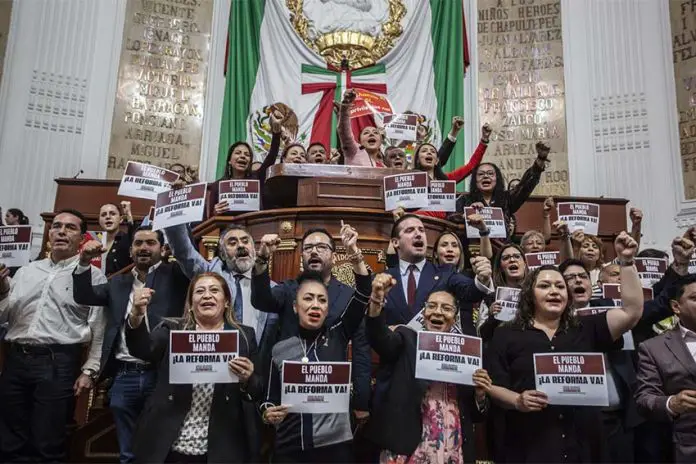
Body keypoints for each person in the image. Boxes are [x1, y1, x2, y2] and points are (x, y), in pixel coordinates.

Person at [485, 232, 644, 462]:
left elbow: (632, 312)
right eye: (545, 286)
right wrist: (517, 401)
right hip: (530, 443)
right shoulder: (506, 334)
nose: (554, 291)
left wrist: (627, 262)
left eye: (560, 286)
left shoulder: (588, 327)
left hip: (584, 443)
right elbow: (494, 386)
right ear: (530, 294)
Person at [72, 226, 189, 463]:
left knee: (162, 448)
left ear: (163, 248)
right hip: (124, 375)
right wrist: (84, 261)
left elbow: (188, 253)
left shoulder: (176, 275)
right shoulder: (118, 283)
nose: (144, 248)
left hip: (162, 374)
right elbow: (84, 295)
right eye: (138, 243)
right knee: (127, 451)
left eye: (150, 243)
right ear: (130, 250)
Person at [0, 209, 107, 462]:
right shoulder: (26, 271)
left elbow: (99, 327)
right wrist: (3, 290)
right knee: (8, 439)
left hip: (57, 363)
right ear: (49, 234)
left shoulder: (94, 276)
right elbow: (4, 317)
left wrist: (90, 370)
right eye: (57, 225)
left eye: (70, 227)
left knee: (47, 442)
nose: (61, 231)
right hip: (16, 360)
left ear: (82, 238)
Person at [125, 272, 262, 463]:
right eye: (200, 291)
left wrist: (248, 378)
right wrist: (136, 314)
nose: (207, 295)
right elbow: (141, 349)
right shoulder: (173, 330)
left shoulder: (244, 336)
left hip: (221, 444)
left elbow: (257, 390)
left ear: (227, 301)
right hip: (169, 441)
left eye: (214, 290)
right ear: (191, 303)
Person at [261, 226, 370, 463]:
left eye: (321, 300)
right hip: (290, 441)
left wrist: (354, 253)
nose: (315, 305)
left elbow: (363, 294)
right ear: (294, 306)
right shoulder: (281, 349)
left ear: (328, 308)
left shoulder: (338, 332)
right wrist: (266, 412)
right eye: (307, 299)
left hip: (334, 443)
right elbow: (268, 396)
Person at [365, 279, 491, 463]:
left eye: (446, 308)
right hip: (408, 446)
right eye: (432, 306)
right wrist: (377, 301)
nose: (438, 311)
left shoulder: (466, 351)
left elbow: (476, 414)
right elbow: (379, 338)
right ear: (424, 314)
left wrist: (479, 396)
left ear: (454, 319)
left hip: (453, 448)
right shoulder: (406, 338)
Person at [163, 222, 278, 376]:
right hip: (215, 365)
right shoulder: (211, 275)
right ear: (223, 254)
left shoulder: (271, 289)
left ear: (254, 250)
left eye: (245, 241)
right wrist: (175, 214)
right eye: (232, 243)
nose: (240, 246)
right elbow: (183, 251)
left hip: (255, 369)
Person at [382, 214, 494, 334]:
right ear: (395, 242)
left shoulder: (445, 273)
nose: (418, 234)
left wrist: (483, 279)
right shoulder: (382, 281)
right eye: (410, 230)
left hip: (432, 349)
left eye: (421, 230)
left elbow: (472, 291)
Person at [635, 273, 696, 463]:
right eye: (695, 298)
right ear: (676, 307)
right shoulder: (653, 348)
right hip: (686, 448)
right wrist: (672, 403)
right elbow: (645, 399)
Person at [456, 141, 551, 239]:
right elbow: (451, 218)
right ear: (475, 181)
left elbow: (525, 186)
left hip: (502, 249)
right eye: (481, 174)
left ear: (497, 179)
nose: (485, 176)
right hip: (474, 249)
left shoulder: (506, 199)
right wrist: (467, 214)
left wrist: (541, 159)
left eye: (490, 174)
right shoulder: (464, 199)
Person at [209, 108, 285, 215]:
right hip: (227, 229)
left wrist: (276, 133)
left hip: (254, 228)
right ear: (229, 161)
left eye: (247, 154)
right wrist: (214, 212)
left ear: (250, 161)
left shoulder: (257, 178)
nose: (243, 156)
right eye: (238, 153)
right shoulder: (218, 185)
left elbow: (271, 157)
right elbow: (208, 219)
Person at [338, 89, 385, 167]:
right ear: (359, 142)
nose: (371, 134)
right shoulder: (354, 151)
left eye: (376, 132)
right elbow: (343, 132)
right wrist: (345, 109)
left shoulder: (385, 165)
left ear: (380, 141)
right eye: (366, 133)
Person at [98, 201, 136, 276]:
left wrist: (128, 215)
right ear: (99, 220)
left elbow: (136, 238)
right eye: (103, 215)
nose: (108, 217)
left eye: (113, 214)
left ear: (121, 219)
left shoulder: (127, 239)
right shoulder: (95, 240)